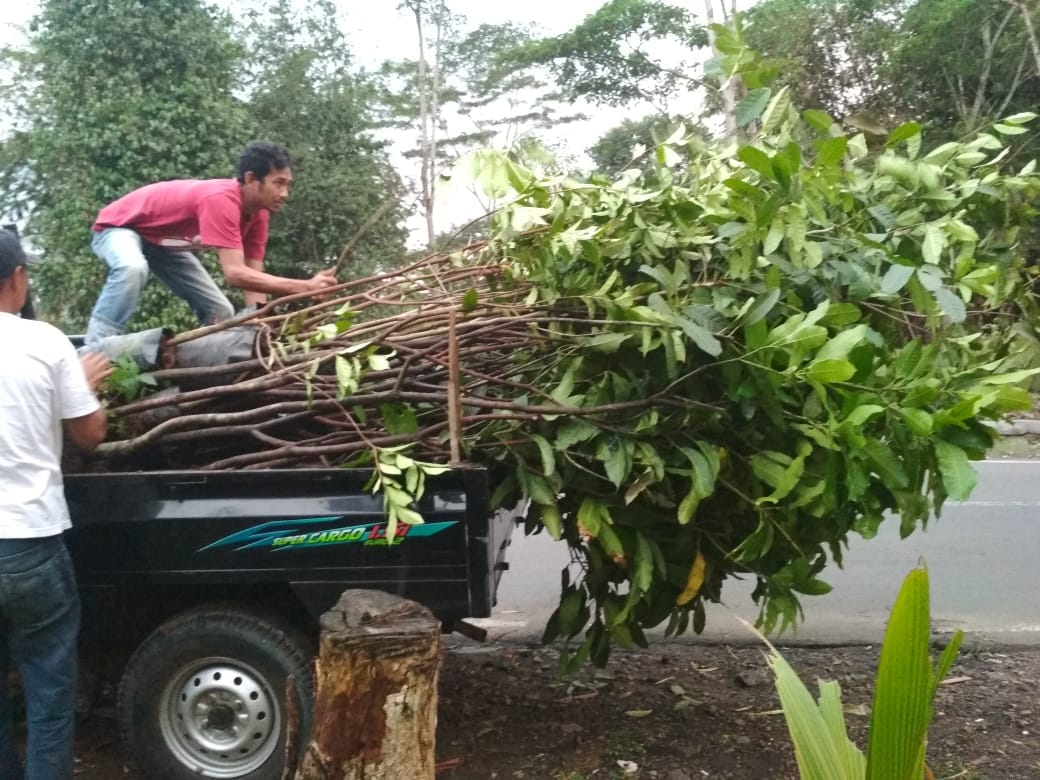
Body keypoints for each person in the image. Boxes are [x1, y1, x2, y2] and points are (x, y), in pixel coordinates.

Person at [0, 228, 111, 779]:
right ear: (17, 279)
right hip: (29, 545)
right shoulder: (45, 343)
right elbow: (89, 434)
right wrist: (83, 382)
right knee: (47, 699)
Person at [84, 140, 338, 345]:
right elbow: (235, 274)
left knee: (220, 312)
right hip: (120, 227)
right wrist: (305, 286)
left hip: (161, 245)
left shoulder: (259, 214)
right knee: (132, 268)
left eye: (288, 185)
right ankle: (97, 348)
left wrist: (260, 320)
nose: (284, 194)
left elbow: (252, 277)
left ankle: (207, 363)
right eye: (278, 183)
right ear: (251, 179)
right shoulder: (221, 199)